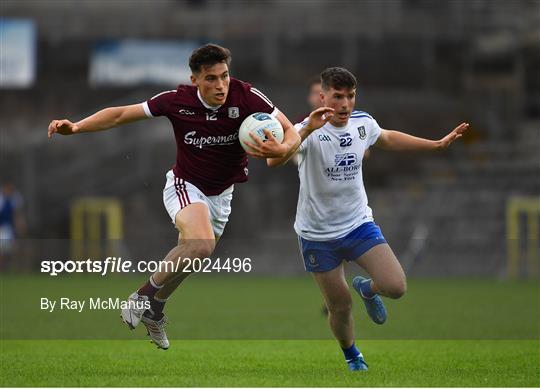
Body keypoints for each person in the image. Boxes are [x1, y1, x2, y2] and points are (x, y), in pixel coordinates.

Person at [48, 43, 300, 350]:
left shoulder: (246, 96)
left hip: (222, 195)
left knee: (191, 259)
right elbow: (119, 115)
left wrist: (283, 148)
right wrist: (76, 127)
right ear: (195, 80)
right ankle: (141, 296)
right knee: (201, 245)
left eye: (224, 76)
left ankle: (155, 308)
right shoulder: (175, 101)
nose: (220, 85)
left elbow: (290, 130)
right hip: (185, 185)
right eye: (211, 78)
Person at [262, 67, 468, 371]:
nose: (345, 104)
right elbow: (274, 159)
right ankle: (352, 356)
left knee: (395, 286)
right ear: (322, 97)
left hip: (358, 225)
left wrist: (435, 144)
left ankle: (367, 289)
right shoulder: (305, 129)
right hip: (317, 235)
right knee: (340, 307)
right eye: (337, 97)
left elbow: (386, 138)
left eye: (350, 96)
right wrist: (305, 131)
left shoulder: (362, 123)